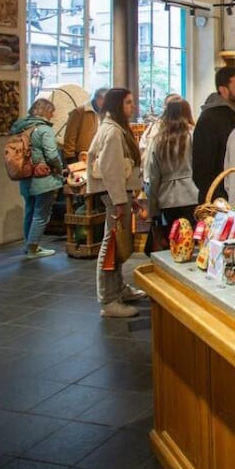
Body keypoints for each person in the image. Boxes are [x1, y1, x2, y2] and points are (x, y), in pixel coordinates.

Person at [85, 88, 147, 318]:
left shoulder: (115, 128)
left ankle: (118, 288)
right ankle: (109, 298)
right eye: (128, 102)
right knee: (111, 244)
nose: (133, 106)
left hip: (118, 194)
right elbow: (111, 170)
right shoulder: (112, 131)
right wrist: (120, 200)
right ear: (117, 104)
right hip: (114, 195)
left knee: (118, 242)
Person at [10, 97, 66, 259]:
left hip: (25, 176)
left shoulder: (22, 127)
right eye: (52, 112)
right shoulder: (44, 129)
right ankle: (33, 248)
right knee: (41, 213)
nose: (53, 115)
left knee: (29, 211)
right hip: (43, 178)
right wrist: (60, 168)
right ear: (46, 111)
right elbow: (52, 154)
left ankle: (28, 244)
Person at [144, 97, 197, 251]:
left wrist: (153, 208)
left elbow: (153, 176)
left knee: (175, 240)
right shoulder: (192, 135)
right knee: (194, 240)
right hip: (192, 193)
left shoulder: (158, 140)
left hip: (167, 198)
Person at [192, 66, 235, 203]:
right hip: (218, 201)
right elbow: (202, 170)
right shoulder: (209, 120)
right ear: (223, 90)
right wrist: (219, 200)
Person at [63, 86, 107, 164]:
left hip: (99, 156)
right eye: (102, 99)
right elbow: (69, 137)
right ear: (96, 98)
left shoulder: (105, 113)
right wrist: (70, 158)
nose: (104, 103)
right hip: (80, 156)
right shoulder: (79, 111)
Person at [139, 92, 182, 170]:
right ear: (165, 107)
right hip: (156, 171)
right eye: (170, 106)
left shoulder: (187, 129)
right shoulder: (155, 127)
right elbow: (143, 149)